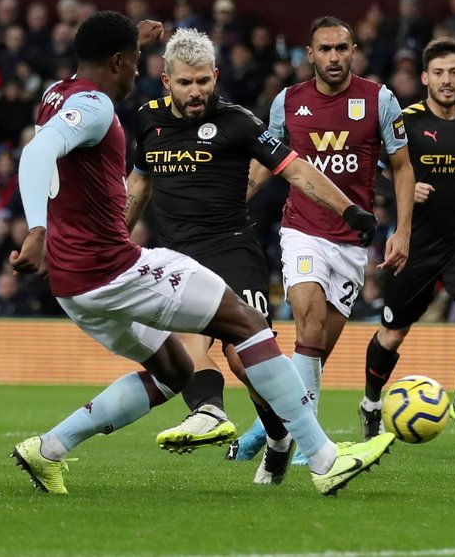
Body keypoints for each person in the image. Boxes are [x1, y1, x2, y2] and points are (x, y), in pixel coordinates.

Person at [9, 10, 395, 496]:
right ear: (121, 63)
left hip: (74, 282)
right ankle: (322, 458)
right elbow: (36, 154)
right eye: (133, 65)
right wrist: (36, 230)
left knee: (173, 370)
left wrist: (135, 40)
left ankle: (48, 449)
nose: (137, 75)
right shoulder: (99, 108)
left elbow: (292, 170)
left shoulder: (58, 92)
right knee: (249, 327)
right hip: (114, 266)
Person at [128, 27, 379, 486]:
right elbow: (139, 184)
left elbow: (297, 170)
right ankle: (211, 412)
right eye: (185, 82)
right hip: (176, 258)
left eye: (204, 81)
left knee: (246, 360)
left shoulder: (238, 122)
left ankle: (279, 437)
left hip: (233, 252)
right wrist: (110, 243)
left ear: (216, 77)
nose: (196, 90)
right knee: (188, 346)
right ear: (167, 82)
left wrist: (348, 208)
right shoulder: (146, 120)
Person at [229, 16, 415, 461]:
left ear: (354, 52)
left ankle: (269, 435)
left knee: (313, 355)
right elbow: (265, 162)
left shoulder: (380, 100)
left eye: (342, 49)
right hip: (302, 230)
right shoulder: (288, 102)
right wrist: (230, 206)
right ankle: (307, 450)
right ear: (309, 55)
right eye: (325, 49)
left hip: (353, 242)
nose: (334, 57)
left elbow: (403, 167)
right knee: (307, 323)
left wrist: (403, 231)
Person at [357, 37, 455, 445]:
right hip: (413, 245)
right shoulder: (406, 121)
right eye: (438, 73)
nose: (447, 80)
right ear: (425, 78)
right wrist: (403, 189)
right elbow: (373, 172)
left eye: (454, 72)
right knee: (393, 334)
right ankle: (370, 404)